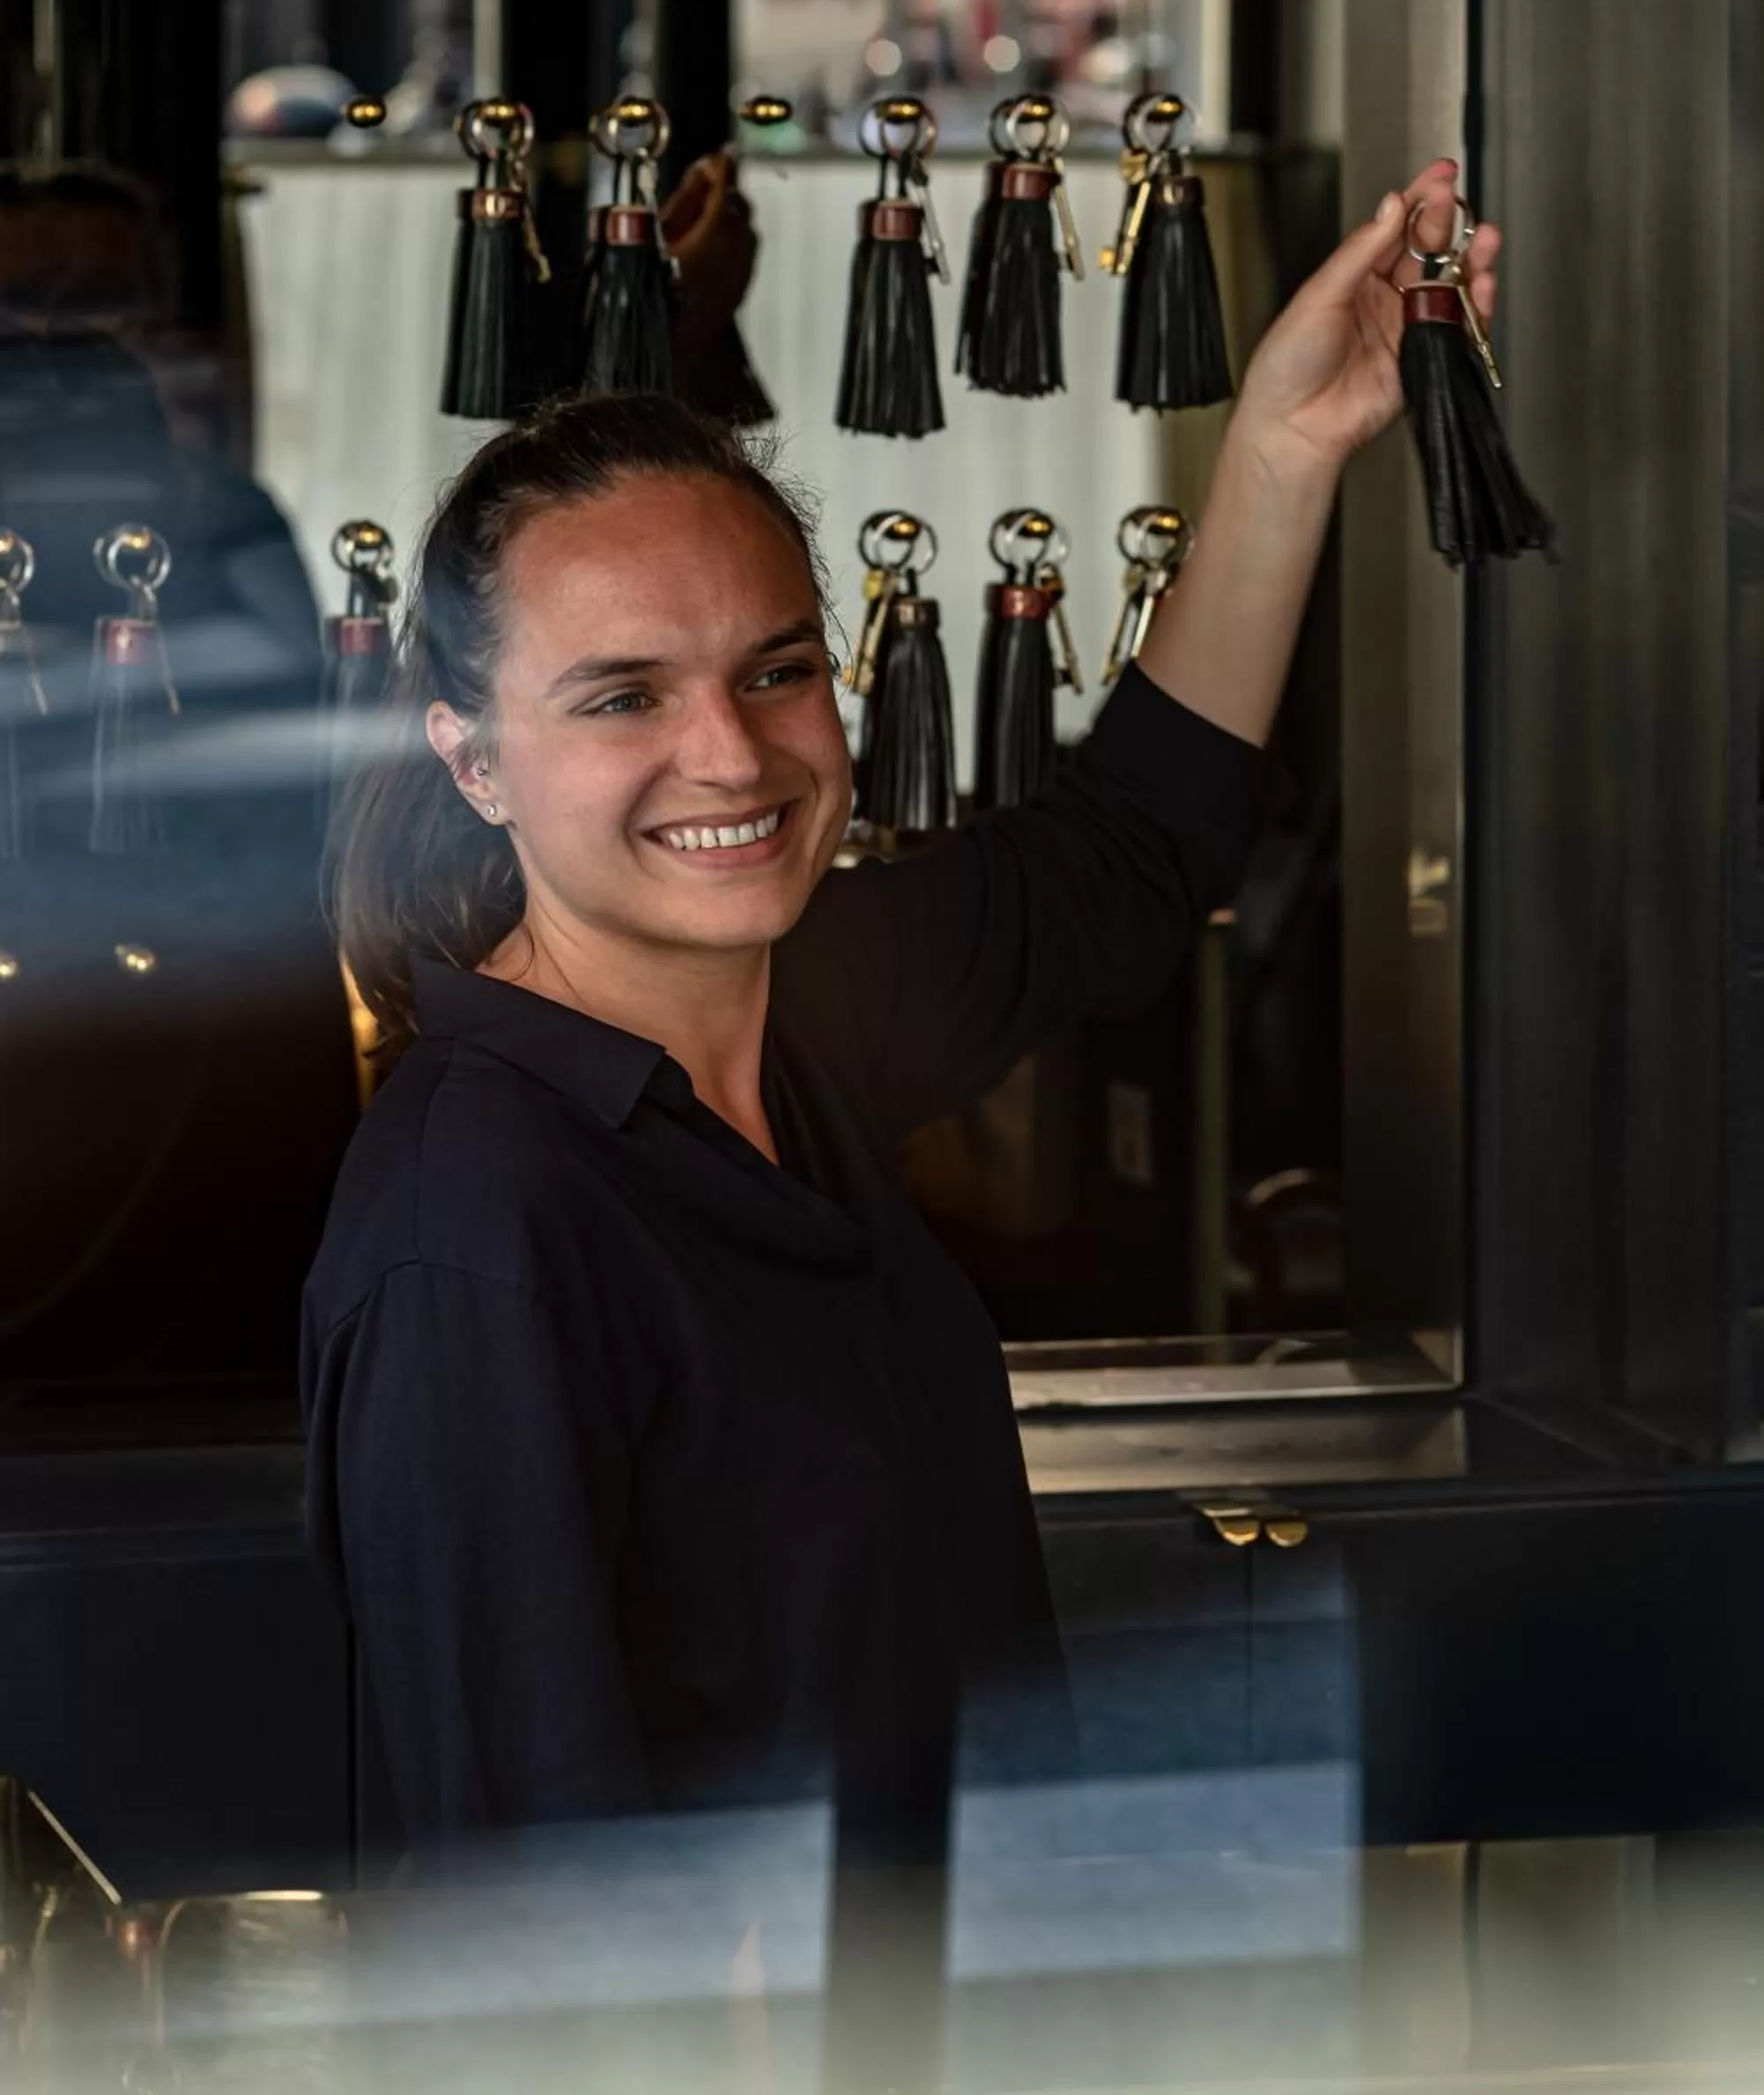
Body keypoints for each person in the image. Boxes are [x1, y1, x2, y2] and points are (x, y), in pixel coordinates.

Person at [301, 159, 1495, 1854]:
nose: (729, 753)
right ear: (477, 761)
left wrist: (1286, 445)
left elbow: (1132, 848)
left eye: (776, 668)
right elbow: (532, 1894)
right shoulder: (476, 1228)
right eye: (622, 695)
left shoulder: (807, 1019)